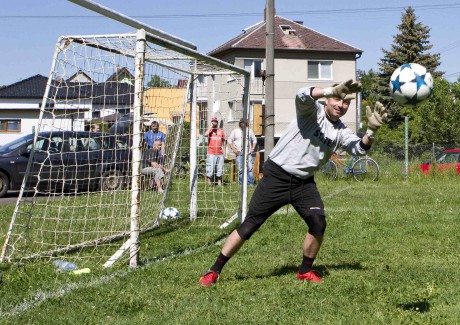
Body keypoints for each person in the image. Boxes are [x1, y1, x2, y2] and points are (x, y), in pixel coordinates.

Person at [198, 80, 387, 286]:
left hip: (304, 183)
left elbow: (359, 148)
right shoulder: (311, 111)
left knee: (318, 223)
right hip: (277, 176)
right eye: (337, 99)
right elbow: (302, 94)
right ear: (327, 99)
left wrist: (371, 132)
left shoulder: (341, 131)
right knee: (250, 226)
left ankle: (305, 270)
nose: (341, 105)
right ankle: (214, 270)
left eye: (346, 103)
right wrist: (328, 90)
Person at [228, 118, 258, 185]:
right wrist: (233, 149)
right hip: (239, 153)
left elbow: (254, 140)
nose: (244, 124)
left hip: (248, 153)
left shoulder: (249, 131)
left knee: (250, 168)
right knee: (241, 169)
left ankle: (250, 183)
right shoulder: (235, 131)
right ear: (240, 123)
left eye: (245, 123)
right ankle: (241, 183)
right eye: (242, 123)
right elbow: (230, 140)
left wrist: (252, 148)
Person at [205, 117, 226, 186]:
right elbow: (205, 134)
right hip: (211, 153)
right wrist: (211, 126)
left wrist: (224, 153)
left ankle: (219, 182)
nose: (214, 123)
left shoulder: (221, 131)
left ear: (217, 122)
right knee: (210, 167)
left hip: (220, 153)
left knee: (219, 168)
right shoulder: (210, 131)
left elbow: (224, 143)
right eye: (213, 121)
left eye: (215, 121)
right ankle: (209, 182)